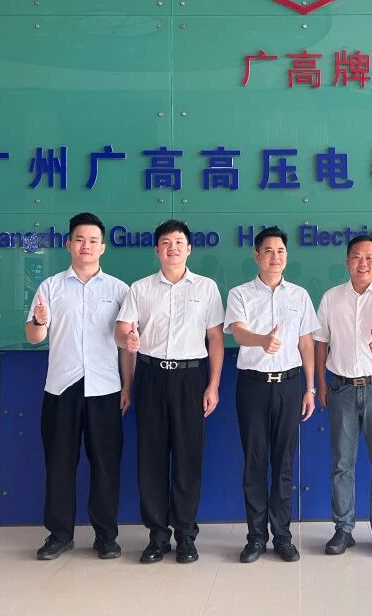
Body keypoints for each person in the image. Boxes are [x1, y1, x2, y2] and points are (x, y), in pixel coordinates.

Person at [115, 219, 224, 564]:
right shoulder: (140, 289)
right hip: (150, 376)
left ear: (189, 248)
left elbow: (215, 338)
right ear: (156, 250)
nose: (172, 248)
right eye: (165, 242)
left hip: (191, 378)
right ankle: (157, 536)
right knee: (151, 458)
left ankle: (186, 535)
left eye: (178, 242)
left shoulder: (206, 288)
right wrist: (128, 344)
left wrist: (213, 384)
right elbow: (121, 332)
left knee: (188, 459)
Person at [25, 212, 132, 561]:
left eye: (93, 240)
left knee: (105, 465)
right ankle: (59, 535)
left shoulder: (119, 290)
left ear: (103, 247)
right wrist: (38, 321)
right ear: (69, 244)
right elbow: (34, 336)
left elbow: (126, 343)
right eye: (80, 240)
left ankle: (106, 536)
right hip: (62, 388)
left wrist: (127, 386)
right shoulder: (50, 287)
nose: (86, 246)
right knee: (59, 463)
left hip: (105, 388)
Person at [224, 227, 319, 563]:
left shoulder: (300, 296)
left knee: (283, 462)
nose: (274, 257)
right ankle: (255, 537)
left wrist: (310, 388)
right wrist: (262, 340)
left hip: (290, 385)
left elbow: (306, 343)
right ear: (257, 255)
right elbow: (238, 333)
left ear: (286, 256)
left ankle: (282, 536)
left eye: (280, 251)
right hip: (253, 385)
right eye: (268, 251)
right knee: (254, 460)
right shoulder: (240, 294)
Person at [314, 234, 372, 558]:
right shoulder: (331, 297)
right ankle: (343, 528)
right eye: (356, 257)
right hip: (340, 388)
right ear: (347, 261)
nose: (362, 263)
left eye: (369, 258)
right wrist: (321, 384)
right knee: (342, 463)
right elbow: (321, 342)